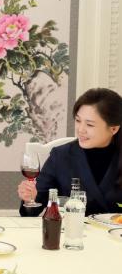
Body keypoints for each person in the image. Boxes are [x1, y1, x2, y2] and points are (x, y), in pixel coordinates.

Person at [17, 88, 122, 216]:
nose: (81, 130)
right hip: (71, 233)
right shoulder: (60, 156)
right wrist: (29, 198)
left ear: (114, 129)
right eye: (78, 121)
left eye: (90, 125)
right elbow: (32, 210)